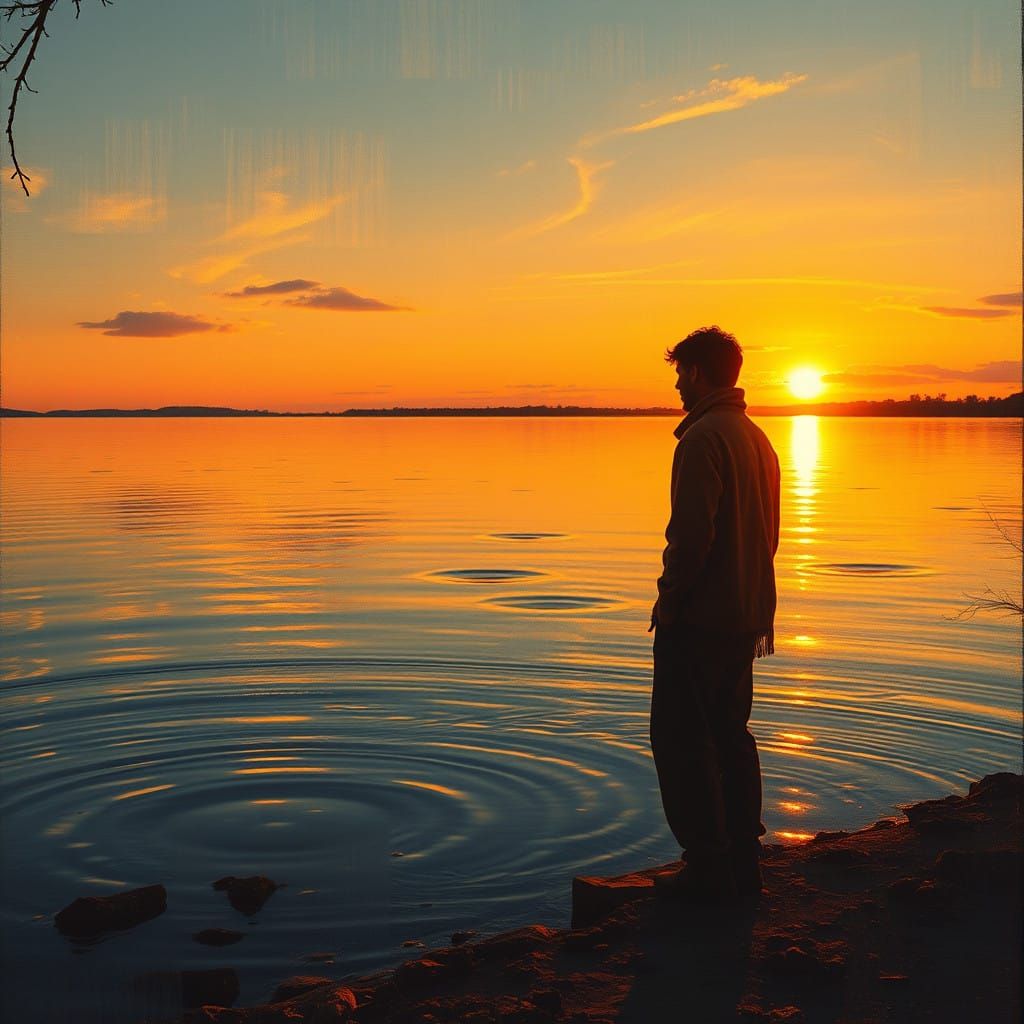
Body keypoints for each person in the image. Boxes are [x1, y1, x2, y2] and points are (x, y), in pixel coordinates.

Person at [649, 325, 780, 905]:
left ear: (699, 373)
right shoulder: (757, 437)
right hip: (747, 615)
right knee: (731, 736)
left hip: (701, 619)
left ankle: (706, 866)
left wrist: (669, 598)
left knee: (681, 740)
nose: (677, 383)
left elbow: (692, 537)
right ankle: (743, 863)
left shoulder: (702, 438)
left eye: (681, 372)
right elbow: (769, 536)